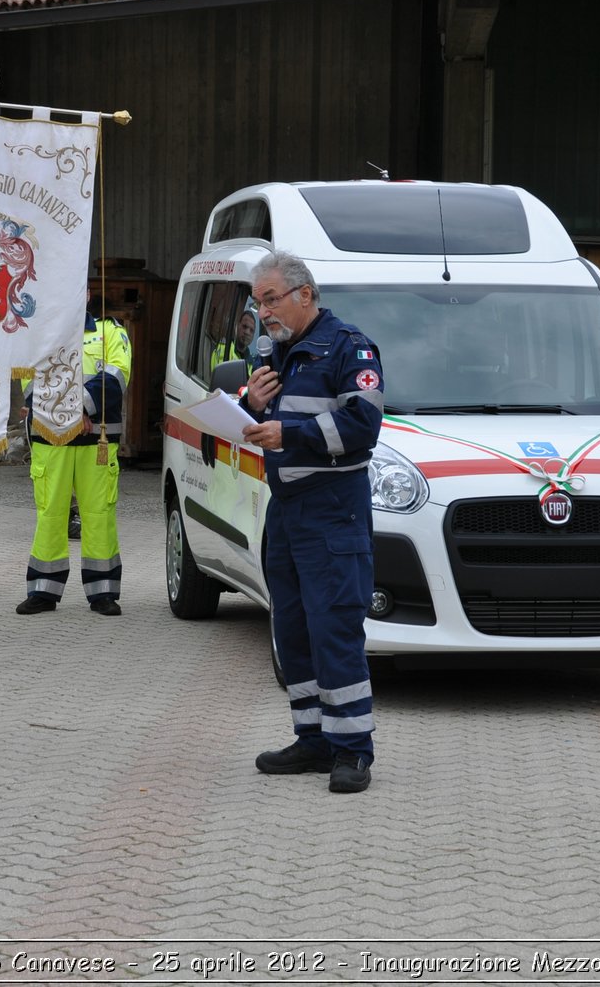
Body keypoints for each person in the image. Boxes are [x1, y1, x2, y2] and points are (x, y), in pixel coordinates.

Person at [241, 250, 383, 794]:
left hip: (332, 509)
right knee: (292, 632)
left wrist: (290, 435)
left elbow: (364, 423)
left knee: (334, 629)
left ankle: (352, 750)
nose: (264, 312)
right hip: (287, 510)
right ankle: (313, 738)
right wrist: (251, 405)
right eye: (258, 303)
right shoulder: (276, 352)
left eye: (271, 299)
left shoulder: (349, 347)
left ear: (305, 294)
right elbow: (267, 420)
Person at [15, 312, 132, 616]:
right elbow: (29, 379)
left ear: (87, 292)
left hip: (97, 439)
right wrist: (68, 414)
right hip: (50, 436)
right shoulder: (37, 330)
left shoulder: (110, 331)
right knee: (50, 514)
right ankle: (43, 591)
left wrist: (82, 407)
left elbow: (119, 374)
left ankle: (103, 592)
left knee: (98, 514)